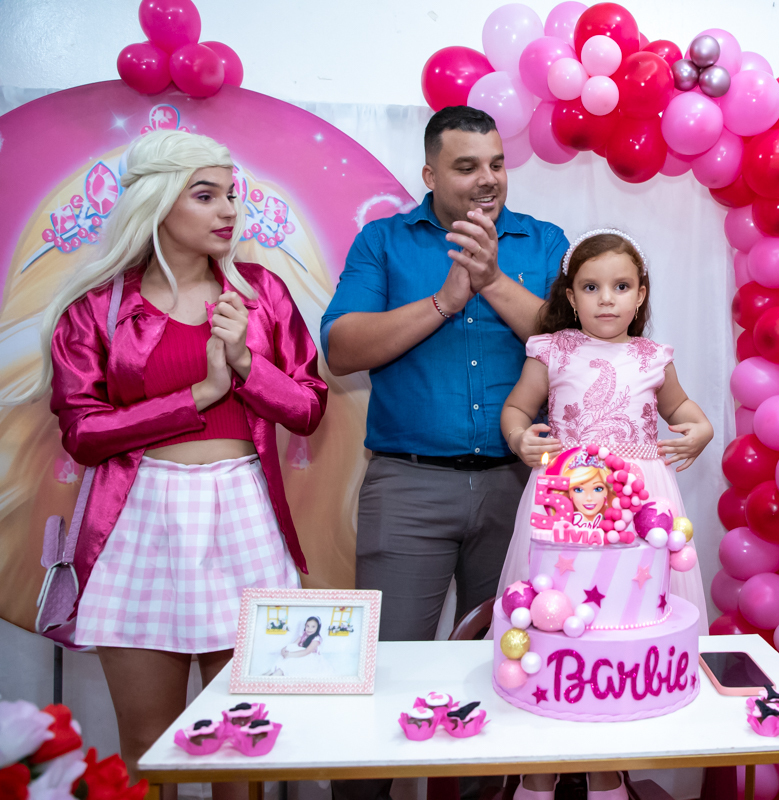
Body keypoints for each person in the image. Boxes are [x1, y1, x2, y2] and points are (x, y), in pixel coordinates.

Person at [18, 130, 326, 800]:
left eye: (232, 195)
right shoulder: (97, 309)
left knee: (241, 748)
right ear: (155, 202)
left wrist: (245, 363)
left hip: (244, 513)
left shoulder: (262, 294)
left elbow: (307, 408)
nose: (229, 210)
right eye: (205, 195)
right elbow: (83, 433)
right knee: (147, 750)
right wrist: (200, 395)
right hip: (139, 520)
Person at [321, 106, 567, 800]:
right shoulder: (384, 242)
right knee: (382, 673)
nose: (487, 179)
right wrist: (444, 300)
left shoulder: (544, 241)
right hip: (409, 487)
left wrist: (491, 282)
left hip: (521, 488)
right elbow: (341, 349)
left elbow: (575, 346)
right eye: (466, 167)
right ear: (429, 174)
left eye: (496, 164)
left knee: (503, 673)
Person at [497, 230, 713, 800]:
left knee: (625, 624)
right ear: (571, 296)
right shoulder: (553, 349)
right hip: (568, 498)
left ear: (640, 295)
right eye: (591, 288)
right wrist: (521, 437)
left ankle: (607, 771)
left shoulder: (652, 357)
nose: (606, 299)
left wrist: (701, 429)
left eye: (620, 286)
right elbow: (517, 407)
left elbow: (681, 409)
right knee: (555, 614)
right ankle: (537, 770)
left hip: (639, 504)